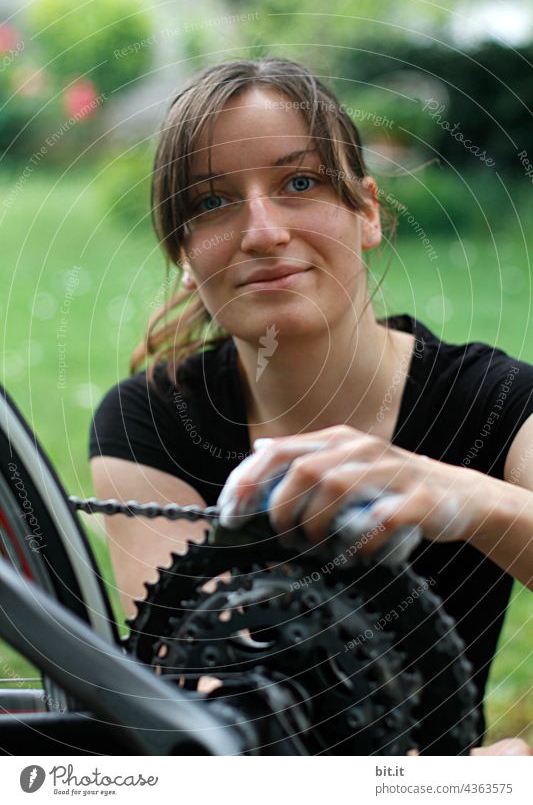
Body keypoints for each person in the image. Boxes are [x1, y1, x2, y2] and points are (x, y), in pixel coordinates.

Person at [89, 58, 533, 754]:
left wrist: (458, 494)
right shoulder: (150, 423)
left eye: (300, 182)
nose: (262, 231)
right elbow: (199, 697)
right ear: (183, 251)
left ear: (368, 212)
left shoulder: (494, 402)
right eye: (211, 201)